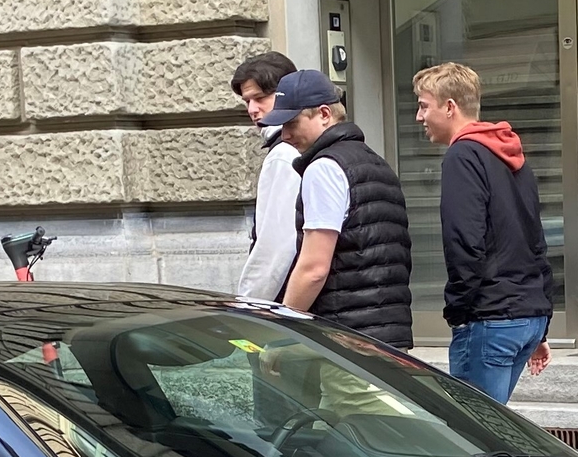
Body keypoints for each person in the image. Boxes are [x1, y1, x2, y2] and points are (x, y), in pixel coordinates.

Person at [416, 62, 554, 402]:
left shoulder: (462, 156)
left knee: (475, 438)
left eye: (423, 105)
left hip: (491, 316)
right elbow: (535, 239)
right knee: (494, 430)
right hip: (526, 315)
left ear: (450, 107)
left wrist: (458, 312)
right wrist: (540, 320)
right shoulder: (510, 154)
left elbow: (465, 242)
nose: (419, 117)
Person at [268, 69, 415, 348]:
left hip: (346, 340)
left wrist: (282, 337)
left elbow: (314, 268)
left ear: (325, 114)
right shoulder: (376, 163)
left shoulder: (324, 168)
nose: (284, 135)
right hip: (389, 337)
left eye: (292, 123)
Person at [232, 51, 301, 304]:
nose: (252, 109)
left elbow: (275, 246)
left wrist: (250, 303)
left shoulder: (283, 154)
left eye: (260, 98)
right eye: (246, 101)